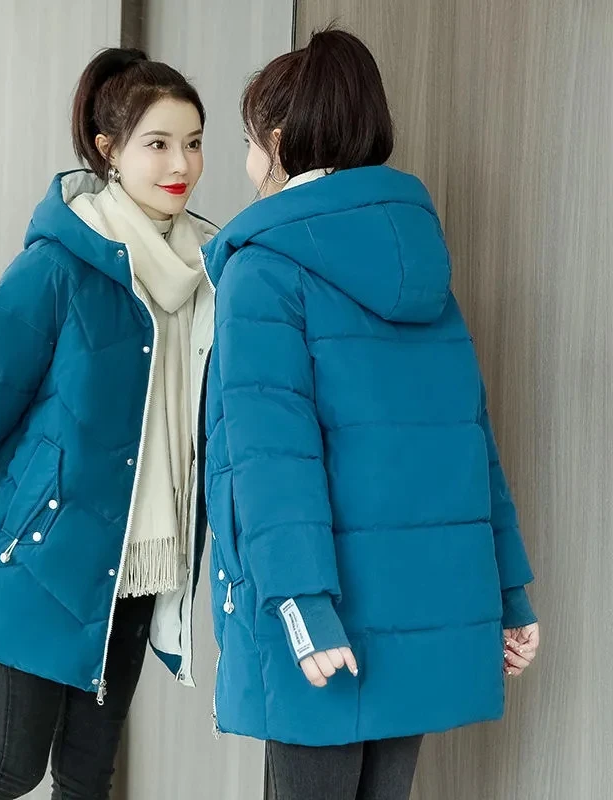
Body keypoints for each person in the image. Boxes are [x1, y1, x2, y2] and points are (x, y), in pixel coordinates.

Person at [0, 47, 216, 800]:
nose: (180, 163)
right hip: (41, 549)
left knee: (87, 779)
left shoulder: (208, 274)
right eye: (157, 143)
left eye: (193, 142)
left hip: (137, 561)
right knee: (10, 767)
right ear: (109, 150)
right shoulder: (57, 268)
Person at [201, 27, 540, 800]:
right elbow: (467, 446)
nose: (247, 164)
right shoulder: (422, 270)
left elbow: (269, 459)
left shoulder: (264, 271)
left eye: (249, 143)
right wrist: (509, 594)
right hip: (416, 616)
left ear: (278, 144)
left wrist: (299, 605)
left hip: (322, 614)